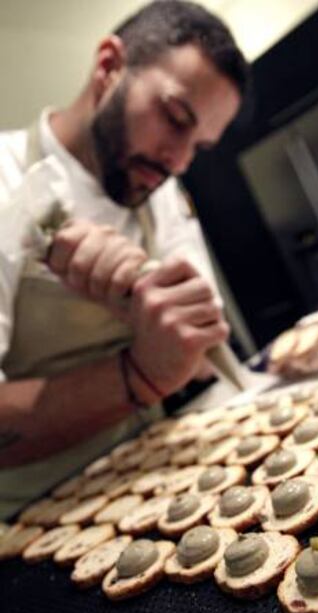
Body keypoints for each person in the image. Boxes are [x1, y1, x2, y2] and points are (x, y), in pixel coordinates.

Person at [0, 0, 249, 518]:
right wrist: (140, 375)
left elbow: (201, 352)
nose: (178, 160)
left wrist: (141, 300)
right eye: (175, 118)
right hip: (34, 526)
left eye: (198, 145)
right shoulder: (5, 178)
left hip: (158, 486)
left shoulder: (160, 191)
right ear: (110, 65)